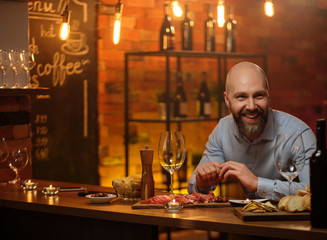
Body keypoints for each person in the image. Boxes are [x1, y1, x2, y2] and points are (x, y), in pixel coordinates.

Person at [188, 61, 316, 201]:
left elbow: (317, 190)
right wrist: (202, 183)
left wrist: (257, 183)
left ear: (268, 95)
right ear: (227, 99)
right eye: (241, 97)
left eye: (258, 95)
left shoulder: (298, 134)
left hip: (294, 221)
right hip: (247, 218)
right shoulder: (223, 129)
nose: (251, 106)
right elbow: (193, 186)